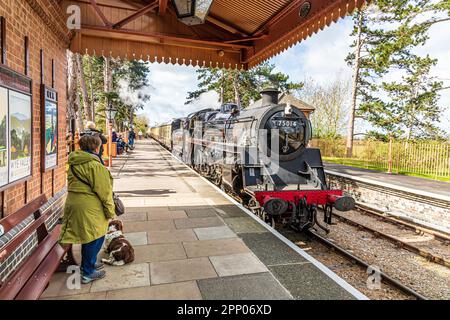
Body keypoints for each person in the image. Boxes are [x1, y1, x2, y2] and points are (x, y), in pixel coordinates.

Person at [59, 135, 115, 284]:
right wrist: (111, 211)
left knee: (88, 235)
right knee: (95, 237)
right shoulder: (94, 165)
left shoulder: (74, 162)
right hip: (89, 207)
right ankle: (88, 272)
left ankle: (87, 264)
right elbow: (105, 192)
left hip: (74, 203)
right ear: (96, 147)